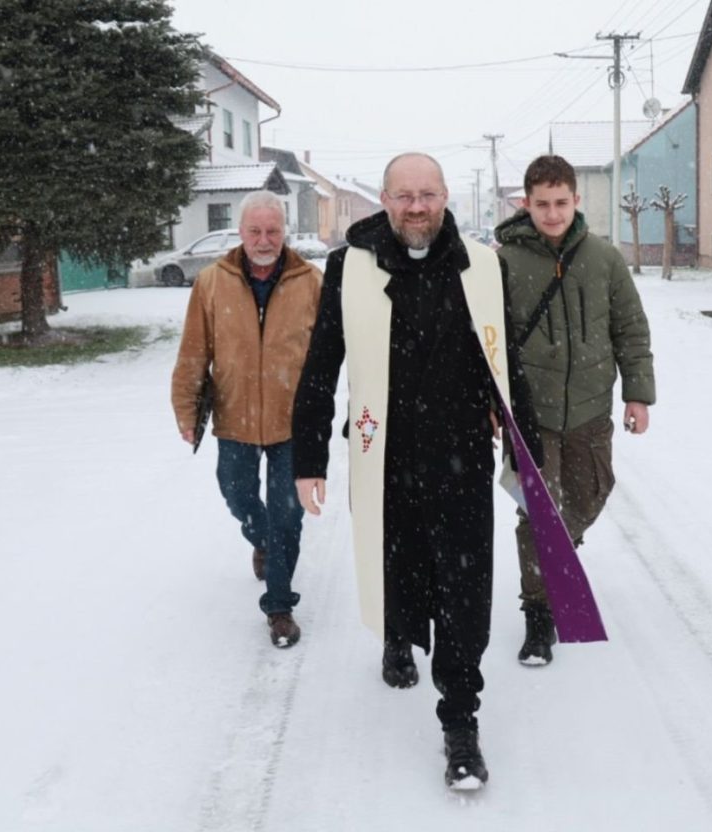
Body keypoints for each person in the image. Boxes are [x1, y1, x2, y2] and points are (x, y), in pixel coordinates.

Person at [292, 152, 542, 791]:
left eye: (427, 194)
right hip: (387, 460)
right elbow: (322, 366)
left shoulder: (482, 266)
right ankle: (398, 637)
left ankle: (460, 721)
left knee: (464, 595)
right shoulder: (351, 267)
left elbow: (506, 365)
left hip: (461, 459)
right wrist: (308, 458)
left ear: (446, 196)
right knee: (399, 573)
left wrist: (527, 455)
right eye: (403, 195)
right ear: (384, 198)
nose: (416, 207)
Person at [495, 154, 655, 667]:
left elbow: (630, 328)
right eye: (541, 204)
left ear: (575, 201)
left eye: (561, 202)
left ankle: (559, 550)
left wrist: (638, 393)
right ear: (526, 204)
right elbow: (485, 342)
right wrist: (490, 406)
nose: (552, 213)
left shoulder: (604, 259)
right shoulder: (503, 262)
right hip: (529, 416)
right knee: (536, 514)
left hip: (590, 409)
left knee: (589, 495)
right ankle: (538, 615)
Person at [170, 190, 322, 649]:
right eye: (255, 231)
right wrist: (185, 408)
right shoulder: (213, 282)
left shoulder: (311, 282)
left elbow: (329, 356)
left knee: (288, 515)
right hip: (234, 418)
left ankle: (279, 607)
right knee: (237, 496)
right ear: (240, 233)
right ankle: (263, 541)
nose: (264, 240)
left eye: (272, 231)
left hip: (291, 422)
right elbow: (194, 351)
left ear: (285, 233)